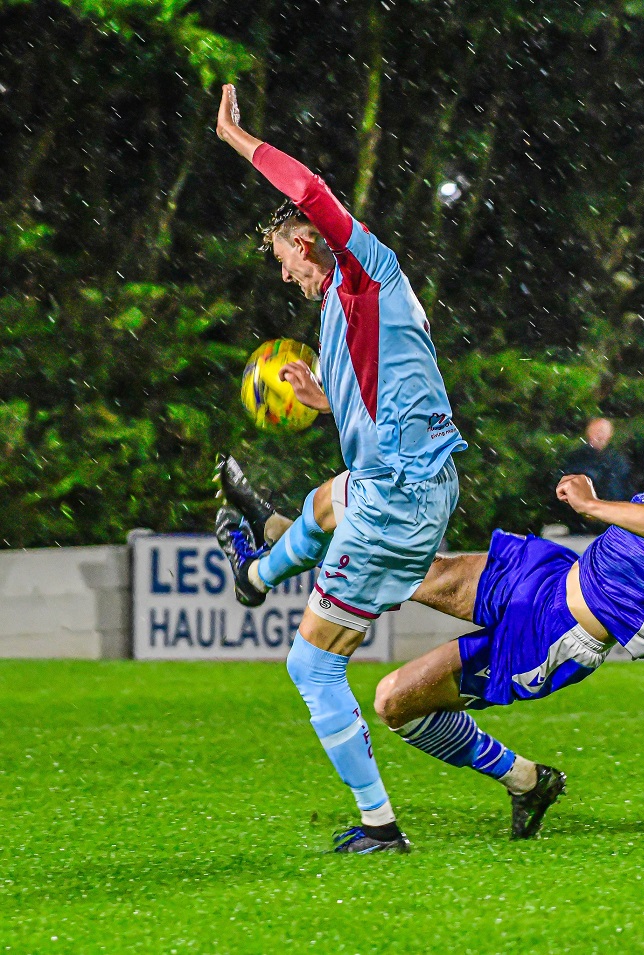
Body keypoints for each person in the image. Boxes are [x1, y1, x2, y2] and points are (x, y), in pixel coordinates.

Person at [223, 372, 644, 839]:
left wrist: (594, 507)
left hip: (558, 633)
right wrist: (339, 406)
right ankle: (275, 540)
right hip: (550, 576)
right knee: (400, 562)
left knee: (393, 701)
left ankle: (525, 779)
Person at [214, 84, 466, 854]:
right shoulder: (343, 311)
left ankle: (379, 826)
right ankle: (258, 571)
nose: (288, 275)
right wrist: (328, 400)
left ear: (313, 241)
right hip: (409, 485)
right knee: (328, 500)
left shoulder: (364, 270)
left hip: (400, 500)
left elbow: (312, 191)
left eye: (288, 256)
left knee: (311, 665)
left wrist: (239, 140)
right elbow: (389, 393)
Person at [554, 418, 633, 532]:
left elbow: (625, 487)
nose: (601, 435)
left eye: (604, 431)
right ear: (589, 432)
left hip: (612, 523)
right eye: (598, 431)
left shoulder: (618, 459)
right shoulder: (576, 458)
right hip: (581, 524)